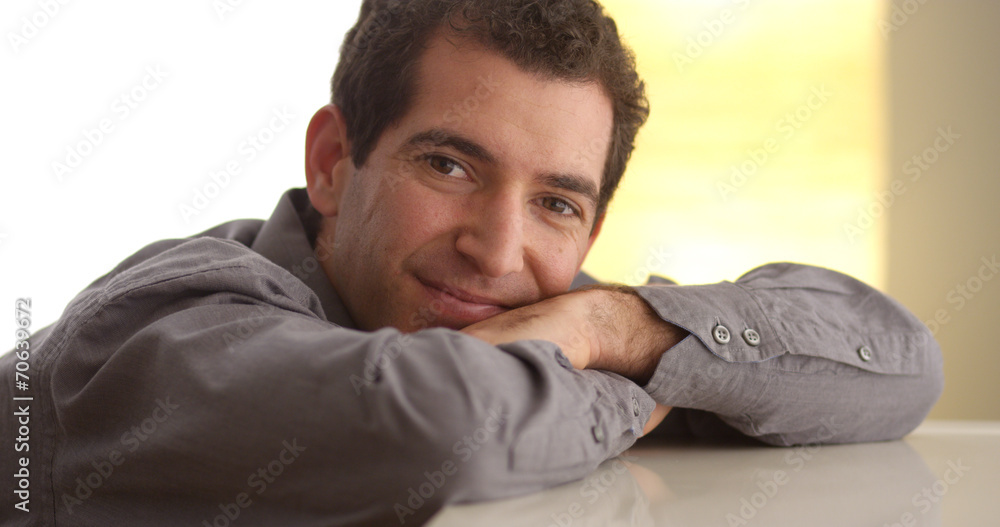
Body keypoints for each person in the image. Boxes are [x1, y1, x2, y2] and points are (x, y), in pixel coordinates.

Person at [1, 0, 943, 525]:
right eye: (449, 166)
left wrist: (617, 324)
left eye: (556, 203)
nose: (496, 249)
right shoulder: (156, 329)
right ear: (333, 163)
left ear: (591, 230)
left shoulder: (555, 318)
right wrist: (641, 377)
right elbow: (443, 425)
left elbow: (904, 365)